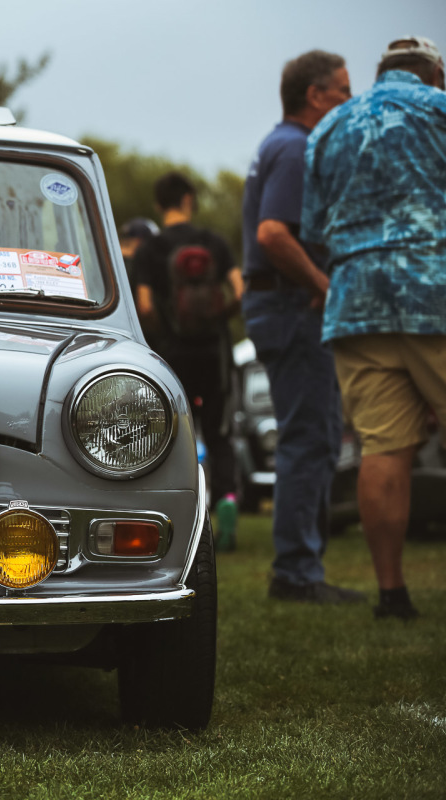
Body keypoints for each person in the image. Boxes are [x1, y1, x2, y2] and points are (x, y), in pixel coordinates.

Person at [303, 36, 446, 620]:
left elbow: (312, 228)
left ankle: (392, 593)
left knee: (383, 448)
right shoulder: (439, 109)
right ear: (433, 73)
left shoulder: (328, 128)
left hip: (356, 301)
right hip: (432, 288)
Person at [240, 50, 359, 604]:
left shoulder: (277, 143)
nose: (349, 102)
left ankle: (303, 566)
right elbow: (271, 234)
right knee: (309, 439)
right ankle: (296, 573)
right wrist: (322, 283)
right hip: (291, 309)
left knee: (313, 434)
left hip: (281, 308)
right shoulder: (295, 146)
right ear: (315, 96)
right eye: (342, 91)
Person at [133, 172, 242, 549]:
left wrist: (166, 334)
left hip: (172, 356)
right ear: (189, 199)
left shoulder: (151, 250)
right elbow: (240, 290)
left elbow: (144, 305)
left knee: (173, 436)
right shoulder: (213, 242)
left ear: (159, 205)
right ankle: (227, 500)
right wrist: (216, 321)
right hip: (214, 353)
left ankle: (179, 517)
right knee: (220, 434)